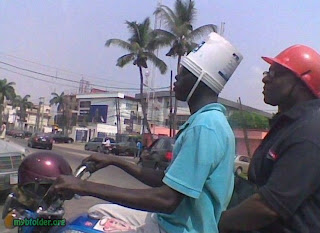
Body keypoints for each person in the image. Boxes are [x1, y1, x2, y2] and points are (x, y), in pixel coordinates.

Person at [51, 32, 243, 233]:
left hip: (176, 229)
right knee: (97, 212)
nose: (177, 76)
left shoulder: (205, 128)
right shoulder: (208, 122)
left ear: (201, 80)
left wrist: (84, 187)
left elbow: (167, 200)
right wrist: (115, 161)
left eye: (185, 72)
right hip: (168, 221)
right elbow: (168, 181)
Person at [218, 45, 320, 233]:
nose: (265, 78)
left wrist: (213, 224)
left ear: (301, 82)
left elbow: (268, 207)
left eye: (275, 73)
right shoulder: (288, 125)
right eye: (267, 71)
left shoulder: (310, 131)